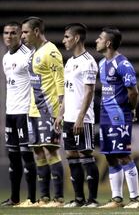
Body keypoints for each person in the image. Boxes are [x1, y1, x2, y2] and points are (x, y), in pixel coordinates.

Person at [95, 26, 139, 209]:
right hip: (105, 115)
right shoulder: (101, 63)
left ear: (108, 43)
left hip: (119, 116)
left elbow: (134, 92)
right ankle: (117, 199)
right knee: (110, 156)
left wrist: (131, 109)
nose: (96, 40)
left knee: (122, 155)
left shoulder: (123, 64)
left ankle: (135, 199)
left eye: (99, 38)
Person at [54, 23, 99, 207]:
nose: (63, 40)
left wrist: (80, 117)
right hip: (69, 118)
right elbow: (68, 91)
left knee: (86, 155)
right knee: (72, 156)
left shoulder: (88, 62)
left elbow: (89, 92)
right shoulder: (70, 62)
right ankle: (79, 198)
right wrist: (60, 114)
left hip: (83, 119)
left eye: (66, 37)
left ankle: (92, 199)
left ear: (77, 38)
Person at [21, 16, 65, 207]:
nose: (22, 36)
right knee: (38, 152)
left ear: (36, 31)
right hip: (33, 110)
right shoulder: (33, 53)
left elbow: (60, 82)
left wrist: (61, 112)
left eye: (25, 32)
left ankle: (58, 198)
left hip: (49, 110)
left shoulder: (51, 51)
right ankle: (44, 197)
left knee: (51, 151)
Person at [0, 21, 37, 207]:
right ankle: (14, 198)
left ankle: (31, 199)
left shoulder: (29, 56)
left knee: (26, 155)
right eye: (6, 33)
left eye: (13, 33)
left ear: (20, 35)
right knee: (13, 157)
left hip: (25, 112)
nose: (9, 36)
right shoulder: (5, 57)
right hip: (10, 113)